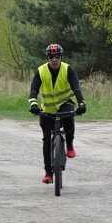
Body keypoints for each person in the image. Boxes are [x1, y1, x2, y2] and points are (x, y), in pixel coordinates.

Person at [28, 43, 87, 184]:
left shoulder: (68, 69)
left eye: (57, 56)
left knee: (69, 118)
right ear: (47, 57)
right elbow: (34, 90)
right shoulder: (41, 71)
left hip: (65, 103)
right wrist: (33, 104)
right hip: (47, 109)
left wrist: (82, 103)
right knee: (47, 140)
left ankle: (70, 145)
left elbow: (76, 88)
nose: (54, 59)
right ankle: (48, 173)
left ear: (61, 56)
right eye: (51, 57)